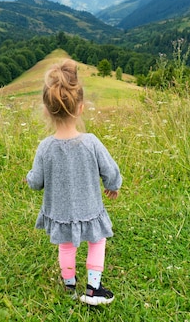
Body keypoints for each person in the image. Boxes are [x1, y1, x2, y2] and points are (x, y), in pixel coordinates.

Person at [25, 59, 122, 306]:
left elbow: (36, 182)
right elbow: (110, 170)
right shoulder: (91, 142)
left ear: (47, 110)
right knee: (97, 241)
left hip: (60, 212)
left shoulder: (45, 147)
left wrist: (28, 178)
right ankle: (93, 288)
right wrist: (113, 184)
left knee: (66, 246)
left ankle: (69, 285)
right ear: (80, 108)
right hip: (89, 209)